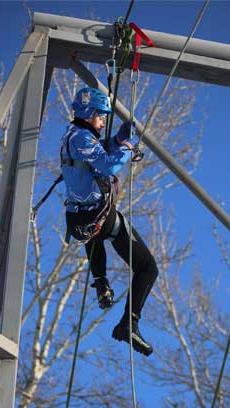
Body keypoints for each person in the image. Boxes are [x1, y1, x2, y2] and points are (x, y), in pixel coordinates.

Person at [60, 87, 159, 356]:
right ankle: (130, 323)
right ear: (88, 113)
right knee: (148, 268)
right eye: (100, 117)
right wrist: (127, 148)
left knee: (95, 237)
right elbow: (108, 166)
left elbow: (98, 150)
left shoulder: (73, 136)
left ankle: (101, 281)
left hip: (80, 220)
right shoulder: (81, 138)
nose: (103, 121)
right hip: (99, 217)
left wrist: (116, 140)